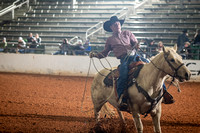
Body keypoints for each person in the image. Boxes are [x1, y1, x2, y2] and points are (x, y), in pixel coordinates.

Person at [89, 16, 149, 110]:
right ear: (111, 27)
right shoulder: (110, 40)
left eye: (118, 23)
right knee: (123, 74)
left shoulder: (128, 33)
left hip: (135, 57)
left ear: (120, 25)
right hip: (124, 60)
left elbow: (135, 42)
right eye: (114, 24)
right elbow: (104, 53)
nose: (117, 24)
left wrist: (136, 45)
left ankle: (164, 92)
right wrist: (95, 55)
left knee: (151, 65)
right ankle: (121, 98)